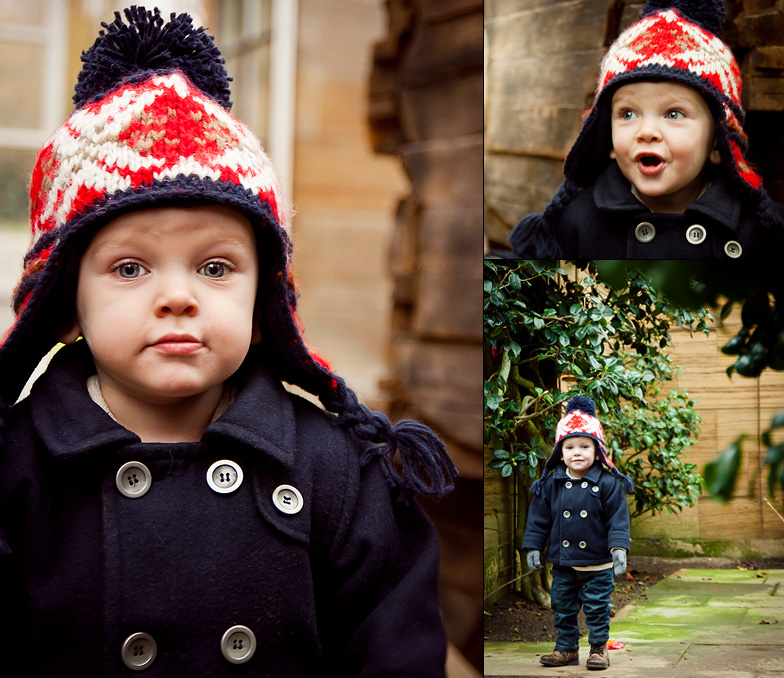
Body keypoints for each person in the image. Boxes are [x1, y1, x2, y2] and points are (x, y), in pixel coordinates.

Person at [0, 7, 457, 676]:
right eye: (130, 268)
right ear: (65, 299)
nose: (178, 296)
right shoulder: (19, 466)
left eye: (215, 268)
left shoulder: (334, 471)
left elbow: (393, 648)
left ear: (265, 298)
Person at [507, 0, 784, 259]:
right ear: (608, 140)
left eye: (674, 114)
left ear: (718, 143)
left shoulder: (754, 230)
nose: (647, 131)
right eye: (628, 113)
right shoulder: (578, 219)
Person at [522, 395, 633, 670]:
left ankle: (598, 649)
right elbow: (538, 519)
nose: (577, 452)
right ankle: (566, 648)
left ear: (598, 451)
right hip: (563, 562)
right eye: (570, 447)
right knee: (562, 606)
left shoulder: (608, 483)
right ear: (560, 452)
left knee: (597, 608)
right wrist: (533, 546)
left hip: (598, 562)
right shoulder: (551, 483)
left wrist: (618, 548)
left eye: (585, 446)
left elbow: (618, 519)